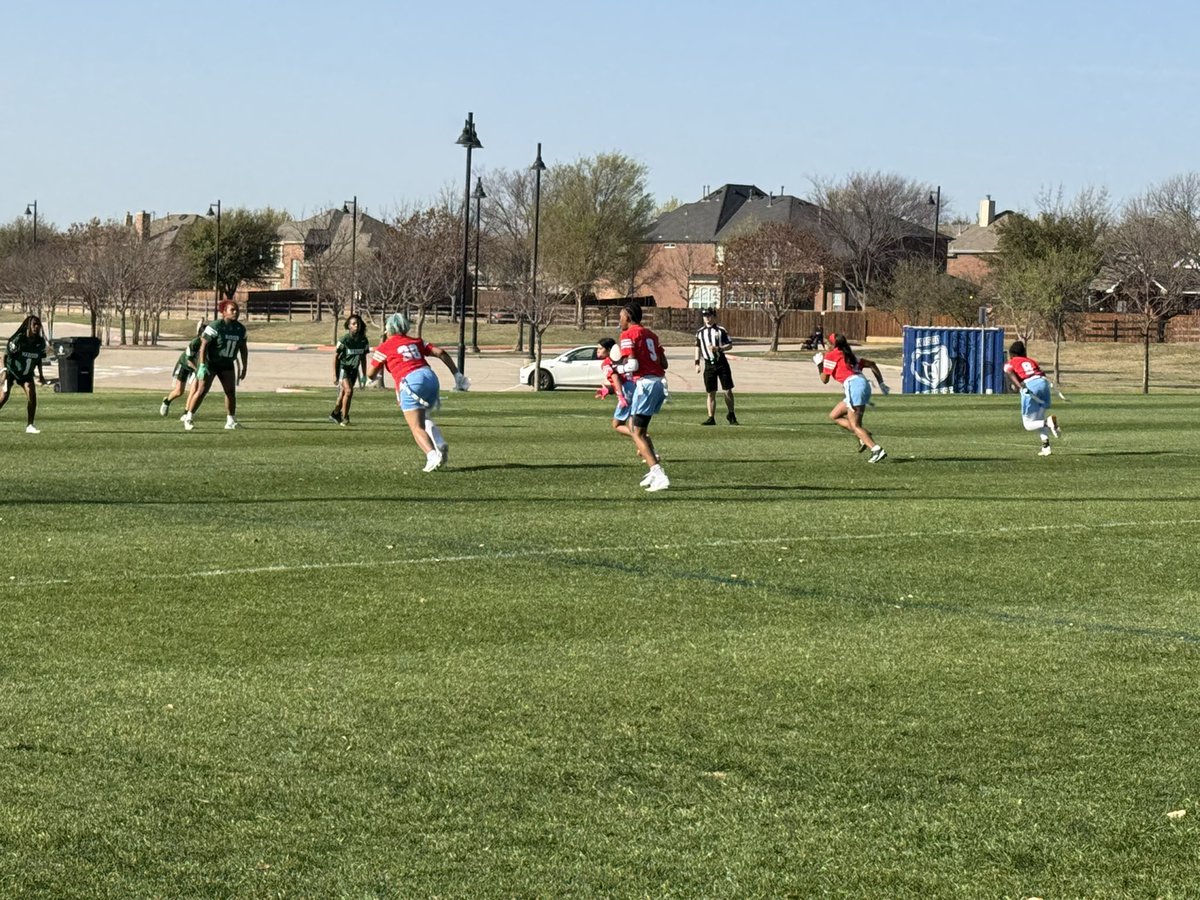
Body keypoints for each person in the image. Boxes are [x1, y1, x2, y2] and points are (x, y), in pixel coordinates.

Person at [366, 311, 469, 473]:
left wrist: (379, 369)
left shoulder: (385, 347)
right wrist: (457, 374)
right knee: (424, 415)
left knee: (416, 426)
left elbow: (370, 374)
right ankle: (439, 441)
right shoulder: (416, 341)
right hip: (430, 377)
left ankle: (432, 456)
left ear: (388, 329)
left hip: (410, 381)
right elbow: (440, 352)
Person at [615, 303, 670, 492]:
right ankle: (653, 469)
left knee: (637, 432)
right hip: (659, 383)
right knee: (635, 427)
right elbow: (664, 362)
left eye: (621, 316)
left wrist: (617, 369)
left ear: (628, 317)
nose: (619, 320)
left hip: (646, 385)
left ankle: (658, 472)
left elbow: (633, 365)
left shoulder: (628, 334)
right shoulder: (651, 335)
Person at [816, 333, 890, 463]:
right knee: (834, 415)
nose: (826, 346)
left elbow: (824, 379)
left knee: (855, 425)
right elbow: (872, 364)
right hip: (863, 384)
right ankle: (863, 436)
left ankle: (876, 449)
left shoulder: (831, 355)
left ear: (834, 345)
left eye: (828, 343)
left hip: (853, 386)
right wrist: (881, 383)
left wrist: (819, 364)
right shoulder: (850, 355)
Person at [181, 299, 247, 432]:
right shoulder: (216, 326)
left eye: (237, 310)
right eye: (232, 310)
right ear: (224, 312)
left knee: (230, 392)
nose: (235, 312)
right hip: (211, 363)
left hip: (227, 364)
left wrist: (244, 367)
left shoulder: (240, 329)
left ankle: (230, 421)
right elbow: (204, 346)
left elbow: (243, 349)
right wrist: (203, 365)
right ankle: (188, 417)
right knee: (201, 391)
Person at [1003, 340, 1061, 456]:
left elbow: (1009, 372)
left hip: (1030, 385)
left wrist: (1019, 387)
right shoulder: (1031, 361)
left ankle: (1048, 423)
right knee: (1039, 419)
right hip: (1043, 383)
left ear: (1012, 354)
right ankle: (1046, 447)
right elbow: (1040, 373)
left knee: (1028, 425)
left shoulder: (1011, 362)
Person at [0, 314, 49, 434]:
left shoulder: (40, 342)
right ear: (28, 326)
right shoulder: (18, 339)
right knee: (4, 396)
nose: (36, 327)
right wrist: (4, 371)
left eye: (38, 325)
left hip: (26, 374)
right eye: (34, 324)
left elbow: (39, 360)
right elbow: (4, 356)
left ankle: (30, 425)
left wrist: (41, 375)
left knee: (32, 395)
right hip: (12, 371)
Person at [694, 307, 737, 425]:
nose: (706, 318)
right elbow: (697, 348)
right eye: (704, 316)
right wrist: (697, 363)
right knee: (711, 392)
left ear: (713, 316)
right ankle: (711, 417)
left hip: (721, 363)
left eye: (708, 315)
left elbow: (729, 345)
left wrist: (719, 348)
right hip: (709, 364)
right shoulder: (700, 332)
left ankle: (731, 413)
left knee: (727, 390)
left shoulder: (720, 330)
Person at [159, 320, 205, 417]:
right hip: (185, 365)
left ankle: (186, 413)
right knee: (179, 391)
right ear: (200, 335)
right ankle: (167, 401)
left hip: (196, 367)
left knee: (194, 389)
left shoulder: (209, 343)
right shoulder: (195, 343)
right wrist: (197, 370)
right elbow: (189, 361)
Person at [331, 314, 369, 426]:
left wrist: (364, 375)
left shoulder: (363, 341)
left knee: (343, 395)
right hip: (344, 368)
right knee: (349, 391)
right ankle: (345, 417)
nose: (356, 325)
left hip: (354, 370)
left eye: (358, 323)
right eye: (353, 323)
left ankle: (335, 413)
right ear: (348, 326)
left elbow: (363, 358)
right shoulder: (344, 340)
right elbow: (335, 357)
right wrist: (335, 374)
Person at [596, 337, 633, 437]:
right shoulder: (621, 359)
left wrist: (621, 396)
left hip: (626, 392)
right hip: (634, 388)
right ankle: (643, 448)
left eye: (600, 348)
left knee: (617, 425)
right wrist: (608, 390)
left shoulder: (606, 363)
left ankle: (643, 438)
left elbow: (615, 377)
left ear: (608, 350)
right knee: (632, 423)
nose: (597, 351)